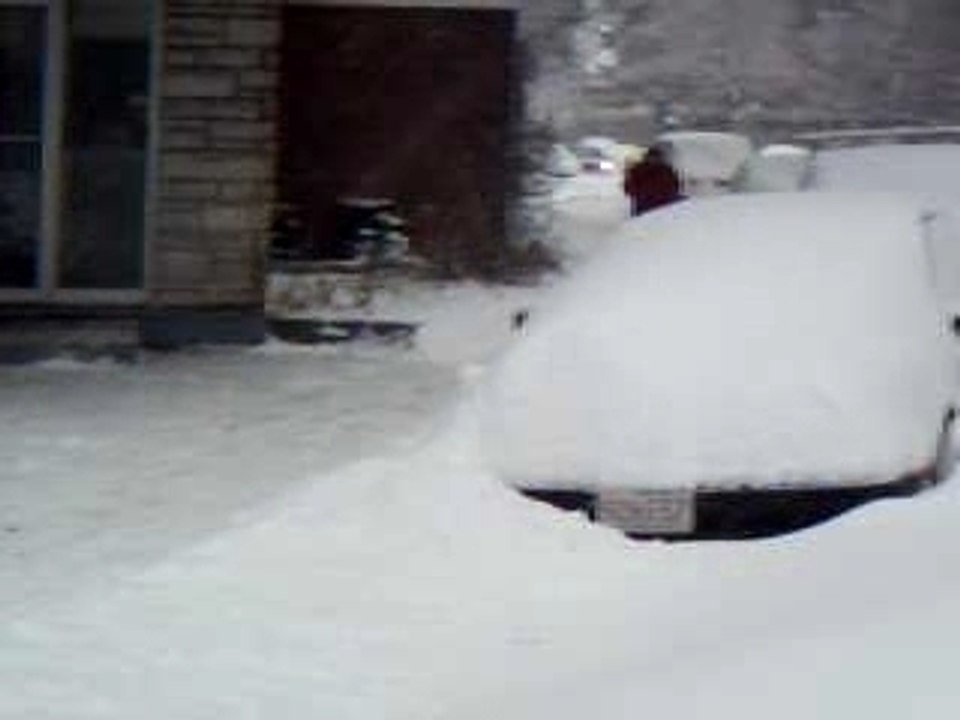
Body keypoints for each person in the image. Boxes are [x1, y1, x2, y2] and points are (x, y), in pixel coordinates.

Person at [623, 144, 682, 216]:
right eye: (653, 157)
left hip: (663, 204)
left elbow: (675, 185)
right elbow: (629, 189)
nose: (654, 160)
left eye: (657, 158)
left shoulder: (666, 169)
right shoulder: (638, 170)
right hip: (647, 206)